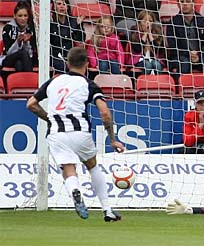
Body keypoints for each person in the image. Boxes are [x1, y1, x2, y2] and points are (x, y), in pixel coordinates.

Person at [26, 47, 125, 222]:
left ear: (67, 63)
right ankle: (108, 210)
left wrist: (49, 118)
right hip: (80, 132)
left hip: (56, 133)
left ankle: (74, 191)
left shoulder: (53, 81)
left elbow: (31, 104)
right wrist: (112, 139)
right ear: (87, 64)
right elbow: (105, 113)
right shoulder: (88, 84)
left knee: (69, 169)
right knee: (92, 166)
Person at [166, 0, 204, 75]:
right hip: (180, 56)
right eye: (182, 2)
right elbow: (173, 46)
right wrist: (189, 54)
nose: (185, 4)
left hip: (199, 56)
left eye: (188, 1)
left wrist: (198, 54)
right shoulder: (173, 22)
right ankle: (181, 86)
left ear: (193, 4)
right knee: (185, 63)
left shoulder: (203, 20)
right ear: (178, 5)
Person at [0, 1, 37, 72]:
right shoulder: (8, 28)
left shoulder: (31, 29)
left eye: (25, 15)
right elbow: (8, 52)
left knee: (19, 64)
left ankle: (24, 82)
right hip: (8, 58)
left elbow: (31, 54)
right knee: (22, 53)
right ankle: (30, 77)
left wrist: (27, 42)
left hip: (27, 59)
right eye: (20, 16)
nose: (23, 18)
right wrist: (18, 42)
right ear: (14, 16)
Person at [50, 0, 86, 74]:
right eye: (59, 4)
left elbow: (81, 39)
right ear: (54, 7)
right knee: (62, 65)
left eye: (64, 4)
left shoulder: (73, 21)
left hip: (69, 54)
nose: (62, 6)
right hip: (54, 55)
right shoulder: (50, 22)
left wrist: (79, 25)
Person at [126, 10, 163, 75]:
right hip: (138, 60)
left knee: (157, 65)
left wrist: (150, 36)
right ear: (139, 22)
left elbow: (158, 50)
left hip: (154, 59)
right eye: (144, 21)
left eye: (150, 21)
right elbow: (137, 49)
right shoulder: (134, 32)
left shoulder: (157, 32)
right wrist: (145, 34)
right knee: (148, 65)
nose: (147, 23)